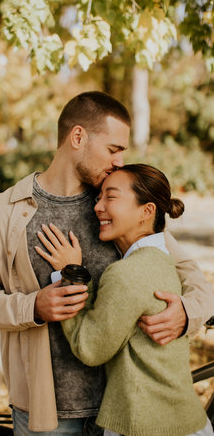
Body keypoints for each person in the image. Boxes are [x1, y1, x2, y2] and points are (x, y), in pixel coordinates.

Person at [0, 92, 214, 435]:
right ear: (77, 137)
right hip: (45, 412)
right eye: (113, 149)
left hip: (124, 412)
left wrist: (186, 313)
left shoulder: (119, 207)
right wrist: (33, 306)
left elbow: (193, 278)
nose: (121, 162)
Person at [36, 164, 214, 436]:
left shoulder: (127, 273)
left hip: (144, 425)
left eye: (111, 197)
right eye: (99, 198)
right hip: (184, 420)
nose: (97, 207)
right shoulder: (163, 260)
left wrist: (71, 274)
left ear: (147, 211)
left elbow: (90, 348)